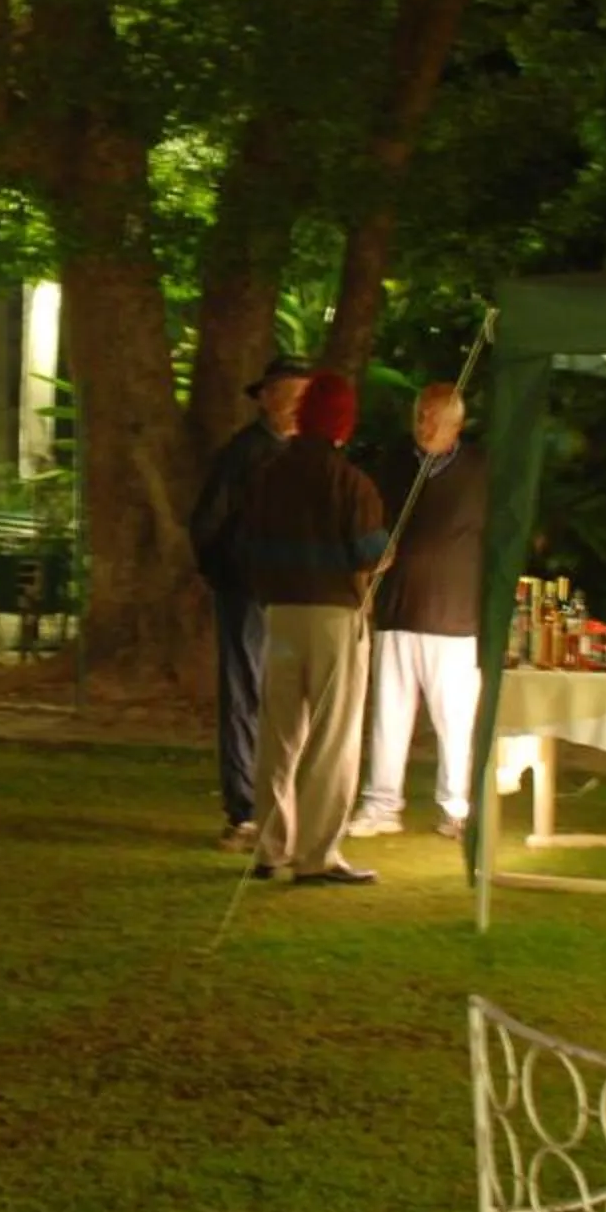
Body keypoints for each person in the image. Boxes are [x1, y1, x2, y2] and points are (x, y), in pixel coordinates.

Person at [235, 369, 390, 885]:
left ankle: (270, 846)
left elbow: (248, 547)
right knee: (332, 737)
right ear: (343, 421)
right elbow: (370, 553)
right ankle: (318, 855)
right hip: (333, 617)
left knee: (278, 734)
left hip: (278, 613)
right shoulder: (350, 482)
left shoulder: (268, 474)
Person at [188, 354, 310, 854]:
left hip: (294, 593)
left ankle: (280, 801)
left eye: (306, 396)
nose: (298, 406)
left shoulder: (305, 453)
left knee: (286, 697)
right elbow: (207, 524)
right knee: (245, 694)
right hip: (248, 590)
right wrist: (230, 576)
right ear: (266, 397)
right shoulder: (243, 453)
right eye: (290, 394)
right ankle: (244, 809)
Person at [357, 383, 487, 840]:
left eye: (434, 417)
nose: (424, 426)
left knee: (455, 720)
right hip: (396, 609)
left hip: (455, 618)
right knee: (388, 716)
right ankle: (381, 804)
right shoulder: (393, 465)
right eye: (419, 416)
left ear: (456, 423)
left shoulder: (480, 470)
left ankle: (456, 807)